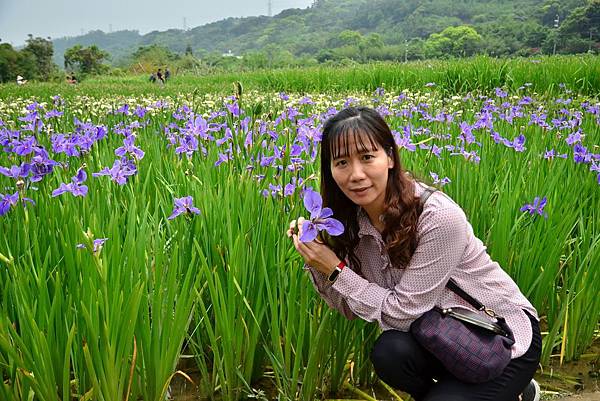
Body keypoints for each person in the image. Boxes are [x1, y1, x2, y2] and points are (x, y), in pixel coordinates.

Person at [287, 106, 541, 401]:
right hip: (439, 333)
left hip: (499, 337)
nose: (355, 174)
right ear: (329, 170)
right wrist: (316, 259)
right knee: (390, 353)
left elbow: (403, 314)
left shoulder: (438, 217)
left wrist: (335, 269)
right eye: (341, 162)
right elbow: (347, 308)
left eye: (367, 157)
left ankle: (513, 389)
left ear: (390, 158)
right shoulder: (352, 223)